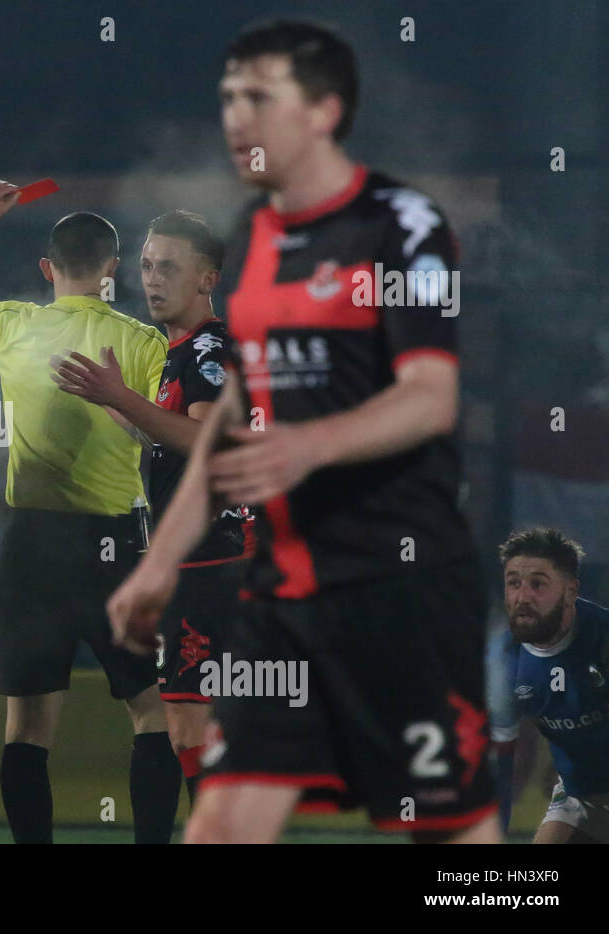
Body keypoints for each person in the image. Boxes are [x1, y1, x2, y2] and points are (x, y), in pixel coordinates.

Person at [107, 19, 499, 842]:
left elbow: (431, 397)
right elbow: (219, 435)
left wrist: (308, 444)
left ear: (323, 110)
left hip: (401, 589)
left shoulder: (403, 225)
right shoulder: (253, 239)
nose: (235, 118)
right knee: (217, 826)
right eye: (227, 98)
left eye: (259, 98)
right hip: (282, 599)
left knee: (450, 839)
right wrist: (158, 566)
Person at [0, 184, 173, 843]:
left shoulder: (12, 324)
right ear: (112, 270)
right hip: (118, 544)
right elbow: (171, 438)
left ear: (47, 269)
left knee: (27, 728)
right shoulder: (143, 342)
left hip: (32, 542)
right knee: (153, 711)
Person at [52, 210, 253, 837]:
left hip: (208, 558)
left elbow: (207, 441)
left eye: (169, 266)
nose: (151, 278)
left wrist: (122, 398)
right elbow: (171, 440)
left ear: (206, 278)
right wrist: (120, 410)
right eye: (145, 264)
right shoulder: (177, 352)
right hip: (191, 559)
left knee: (187, 726)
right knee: (186, 724)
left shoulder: (210, 349)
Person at [493, 528, 609, 843]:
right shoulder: (504, 663)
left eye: (538, 584)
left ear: (571, 591)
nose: (522, 597)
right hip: (580, 797)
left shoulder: (602, 640)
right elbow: (500, 771)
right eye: (513, 583)